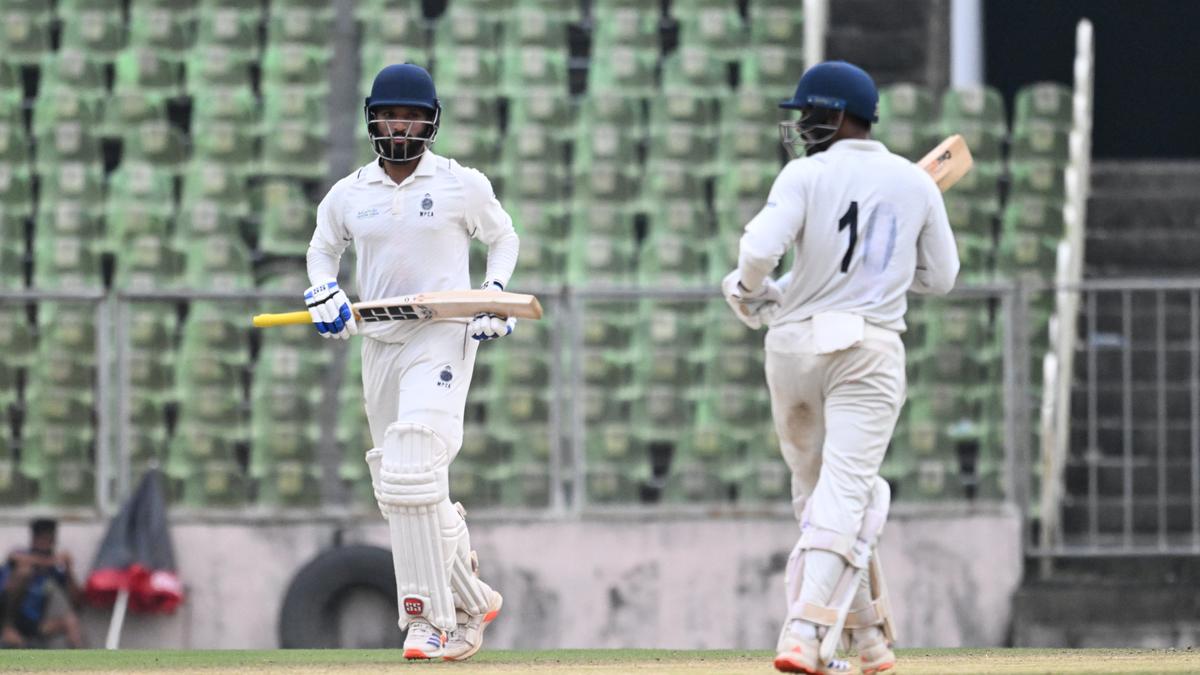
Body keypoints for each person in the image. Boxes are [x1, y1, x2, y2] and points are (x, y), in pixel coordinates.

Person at [721, 61, 959, 674]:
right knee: (853, 495)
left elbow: (756, 252)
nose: (802, 125)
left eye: (809, 114)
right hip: (869, 350)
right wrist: (884, 274)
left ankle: (869, 642)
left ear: (835, 115)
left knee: (819, 500)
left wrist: (752, 289)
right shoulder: (914, 182)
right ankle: (803, 631)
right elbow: (942, 278)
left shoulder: (804, 174)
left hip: (794, 345)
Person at [304, 63, 518, 661]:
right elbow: (322, 251)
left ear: (431, 121)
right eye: (390, 115)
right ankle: (474, 596)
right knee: (398, 487)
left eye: (412, 115)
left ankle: (428, 621)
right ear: (373, 119)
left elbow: (504, 238)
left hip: (442, 333)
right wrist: (324, 291)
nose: (400, 126)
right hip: (380, 340)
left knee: (414, 459)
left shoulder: (460, 185)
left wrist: (494, 291)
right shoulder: (349, 193)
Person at [0, 519, 84, 648]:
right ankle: (7, 629)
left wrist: (69, 571)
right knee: (24, 572)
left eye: (50, 540)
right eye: (43, 539)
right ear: (34, 539)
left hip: (33, 623)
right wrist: (52, 561)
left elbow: (77, 603)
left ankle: (84, 664)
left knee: (70, 621)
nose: (47, 544)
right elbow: (15, 557)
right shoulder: (20, 555)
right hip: (6, 616)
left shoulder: (54, 570)